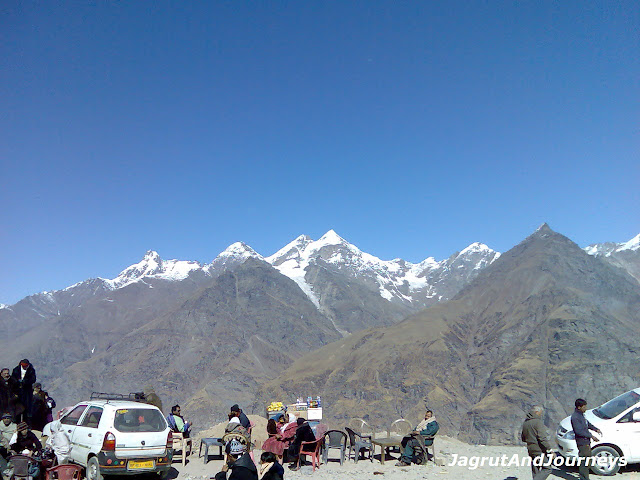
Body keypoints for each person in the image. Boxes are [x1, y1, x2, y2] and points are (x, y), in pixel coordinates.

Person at [571, 398, 601, 480]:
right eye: (584, 407)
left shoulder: (581, 415)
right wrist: (591, 436)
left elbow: (587, 424)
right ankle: (584, 478)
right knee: (584, 461)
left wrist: (595, 429)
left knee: (588, 461)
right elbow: (578, 431)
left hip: (586, 442)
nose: (586, 408)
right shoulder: (575, 417)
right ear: (579, 407)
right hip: (582, 442)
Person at [521, 405, 555, 480]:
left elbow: (523, 438)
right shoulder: (538, 422)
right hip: (539, 450)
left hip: (530, 449)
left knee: (535, 469)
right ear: (536, 412)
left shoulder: (525, 423)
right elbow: (542, 438)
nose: (541, 414)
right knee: (547, 468)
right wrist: (550, 450)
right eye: (540, 413)